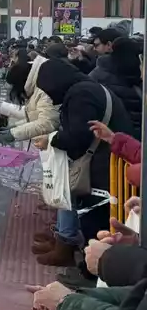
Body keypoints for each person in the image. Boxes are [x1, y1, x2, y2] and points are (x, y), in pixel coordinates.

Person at [33, 58, 135, 266]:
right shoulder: (87, 87)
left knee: (94, 218)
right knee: (88, 212)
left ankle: (92, 267)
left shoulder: (81, 94)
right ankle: (69, 247)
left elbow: (79, 134)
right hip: (109, 160)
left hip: (103, 166)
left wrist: (51, 140)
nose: (50, 96)